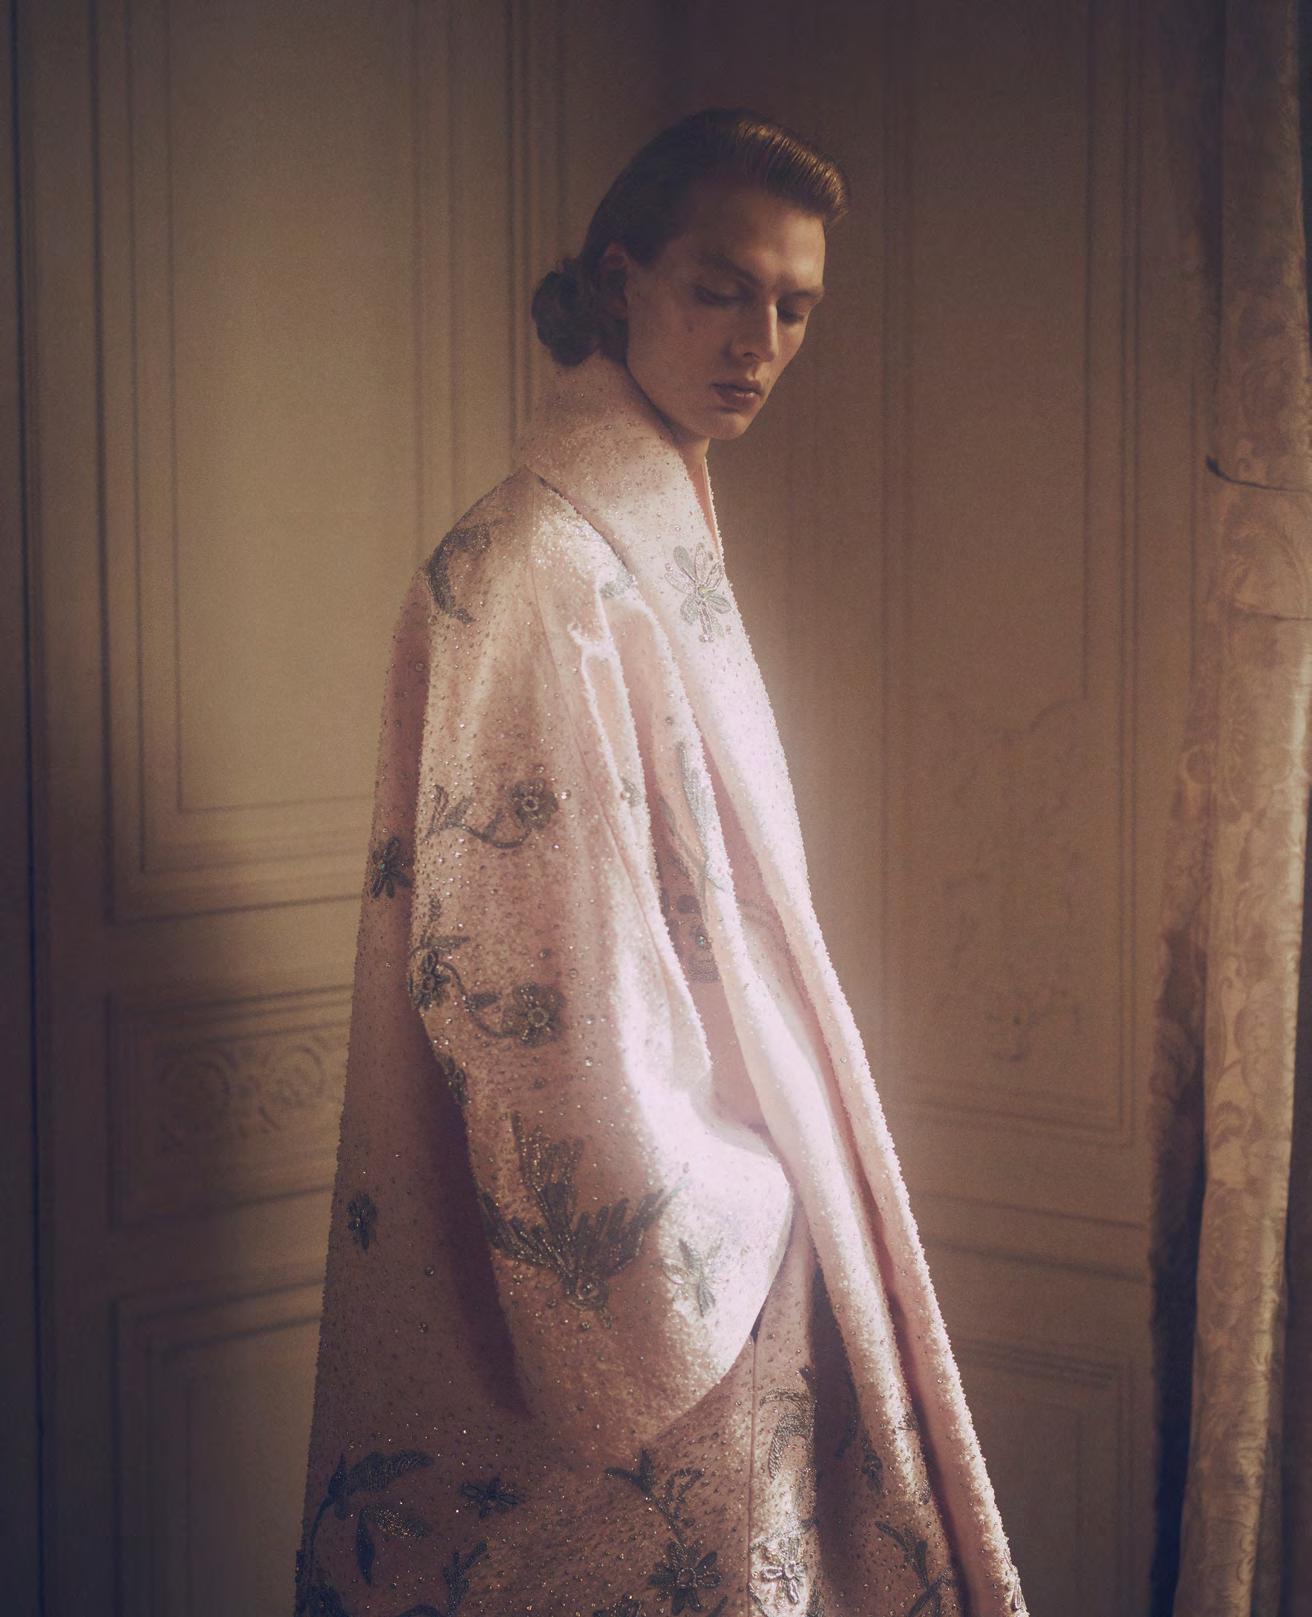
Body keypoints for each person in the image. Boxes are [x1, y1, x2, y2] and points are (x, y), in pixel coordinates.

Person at [294, 107, 1026, 1617]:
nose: (760, 342)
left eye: (796, 307)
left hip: (740, 1195)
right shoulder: (539, 571)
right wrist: (729, 1200)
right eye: (720, 289)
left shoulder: (633, 539)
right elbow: (528, 989)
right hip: (664, 1257)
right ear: (621, 280)